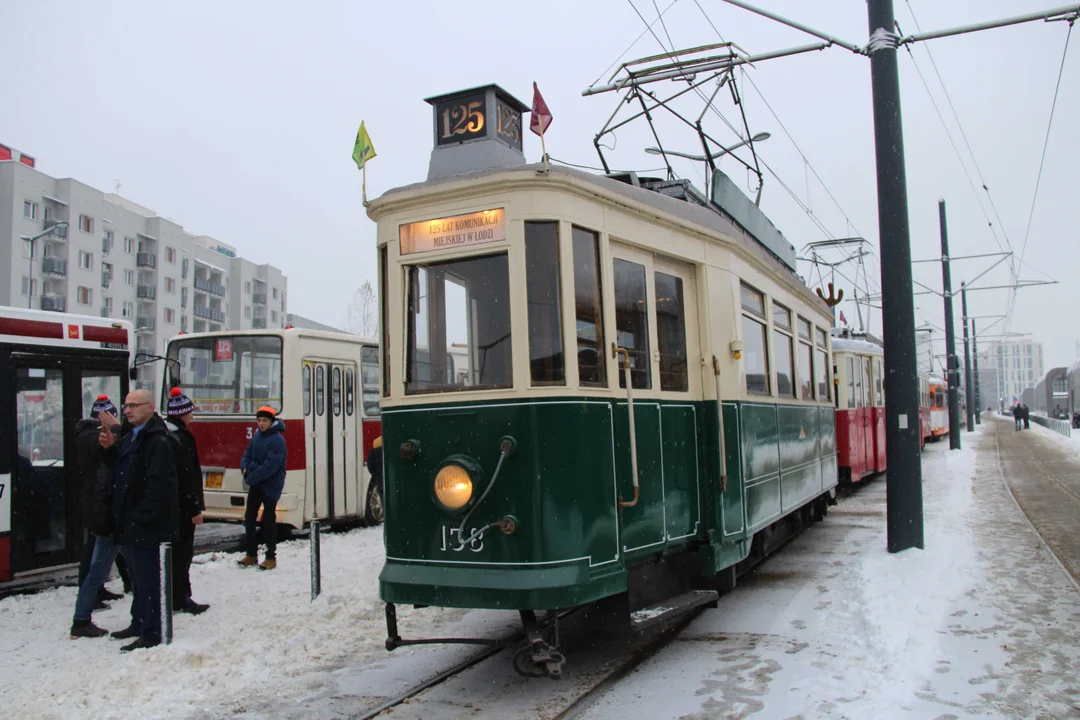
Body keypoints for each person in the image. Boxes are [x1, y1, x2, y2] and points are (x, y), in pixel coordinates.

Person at [97, 389, 178, 652]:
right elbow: (123, 468)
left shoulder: (157, 439)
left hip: (143, 524)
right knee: (136, 577)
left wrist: (142, 516)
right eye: (126, 405)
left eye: (134, 405)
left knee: (148, 579)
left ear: (150, 407)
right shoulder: (134, 435)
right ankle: (139, 621)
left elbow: (157, 484)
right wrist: (110, 450)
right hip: (129, 521)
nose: (128, 410)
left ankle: (151, 631)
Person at [70, 395, 128, 639]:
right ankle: (82, 619)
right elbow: (107, 489)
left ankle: (84, 615)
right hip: (107, 517)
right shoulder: (101, 451)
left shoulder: (106, 453)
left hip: (107, 515)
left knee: (101, 566)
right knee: (96, 565)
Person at [164, 388, 210, 615]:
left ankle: (172, 595)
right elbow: (188, 477)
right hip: (182, 508)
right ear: (182, 414)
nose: (192, 415)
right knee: (182, 552)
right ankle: (181, 597)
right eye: (190, 412)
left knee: (173, 553)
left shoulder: (164, 433)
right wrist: (195, 508)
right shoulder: (181, 438)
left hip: (170, 505)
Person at [238, 406, 287, 570]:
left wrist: (251, 475)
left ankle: (270, 556)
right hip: (257, 483)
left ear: (271, 421)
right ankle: (251, 554)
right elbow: (247, 453)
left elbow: (270, 466)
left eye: (264, 420)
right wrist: (245, 466)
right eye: (259, 421)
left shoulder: (278, 440)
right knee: (249, 518)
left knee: (269, 521)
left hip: (270, 486)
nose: (261, 424)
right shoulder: (258, 436)